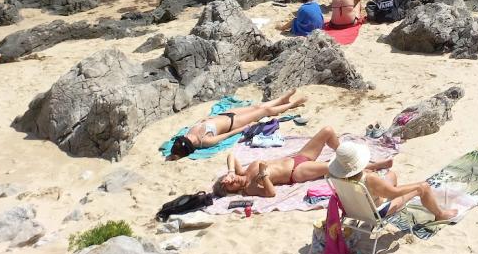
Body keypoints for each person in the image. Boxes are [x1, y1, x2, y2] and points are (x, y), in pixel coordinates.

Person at [213, 127, 393, 198]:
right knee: (333, 168)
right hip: (297, 172)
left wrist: (229, 172)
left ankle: (345, 154)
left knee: (327, 132)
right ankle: (375, 166)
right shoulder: (249, 188)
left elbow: (231, 156)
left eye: (229, 180)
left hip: (297, 158)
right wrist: (264, 175)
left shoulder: (242, 172)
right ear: (234, 190)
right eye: (229, 186)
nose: (233, 181)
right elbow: (271, 194)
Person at [327, 141, 458, 222]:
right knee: (423, 187)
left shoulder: (335, 176)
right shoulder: (369, 179)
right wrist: (418, 185)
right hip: (376, 213)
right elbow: (394, 193)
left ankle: (389, 194)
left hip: (354, 210)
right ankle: (440, 214)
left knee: (391, 175)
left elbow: (358, 175)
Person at [167, 90, 308, 159]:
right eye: (188, 141)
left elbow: (201, 121)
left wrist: (208, 117)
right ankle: (293, 104)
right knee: (265, 111)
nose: (189, 137)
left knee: (257, 107)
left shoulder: (188, 134)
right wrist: (245, 127)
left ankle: (282, 99)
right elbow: (228, 135)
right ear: (191, 145)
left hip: (225, 114)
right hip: (234, 123)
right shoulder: (205, 141)